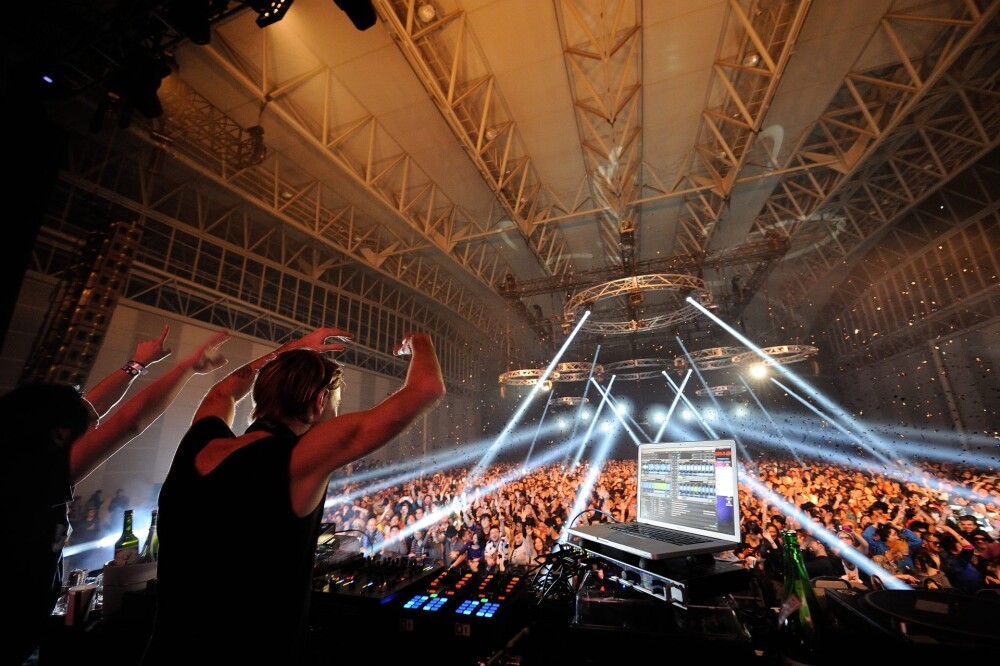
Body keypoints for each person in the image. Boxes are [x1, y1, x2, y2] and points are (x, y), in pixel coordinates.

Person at [141, 328, 444, 665]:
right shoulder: (297, 459)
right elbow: (426, 390)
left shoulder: (199, 444)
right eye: (334, 406)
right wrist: (419, 341)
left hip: (163, 658)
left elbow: (224, 391)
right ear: (319, 402)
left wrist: (293, 349)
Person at [0, 325, 229, 666]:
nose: (94, 428)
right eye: (85, 430)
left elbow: (90, 409)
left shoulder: (20, 455)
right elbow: (129, 422)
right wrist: (185, 368)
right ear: (59, 435)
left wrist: (138, 364)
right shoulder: (30, 478)